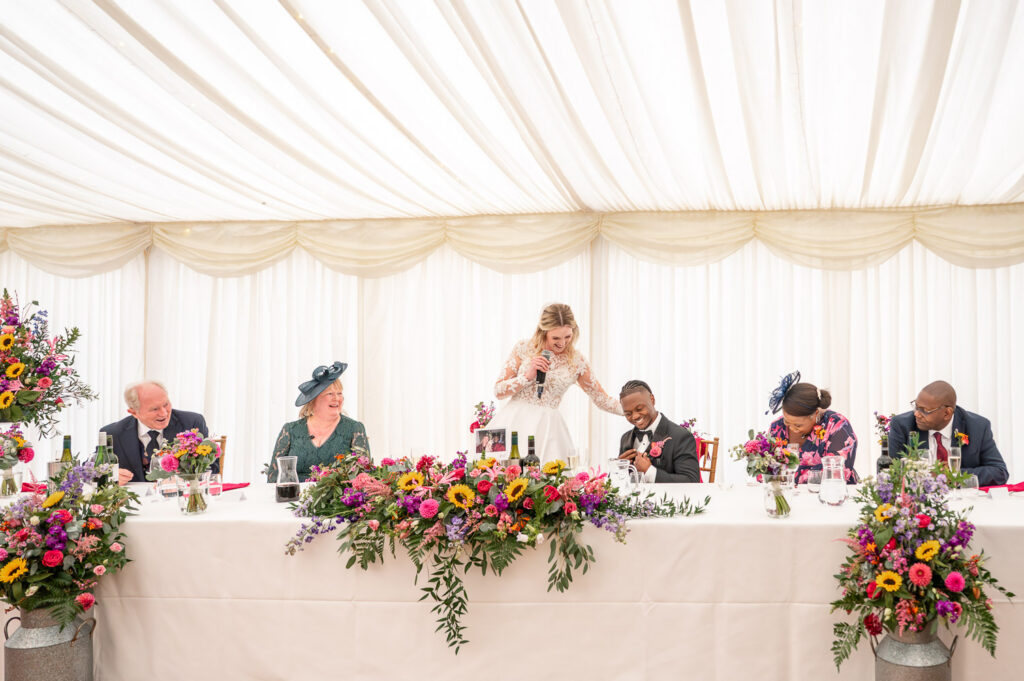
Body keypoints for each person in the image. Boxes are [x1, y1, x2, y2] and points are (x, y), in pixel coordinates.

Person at [487, 303, 622, 462]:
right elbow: (498, 391)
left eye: (568, 337)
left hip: (548, 430)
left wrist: (635, 411)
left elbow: (602, 400)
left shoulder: (577, 361)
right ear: (543, 331)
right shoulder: (523, 348)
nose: (562, 343)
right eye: (556, 338)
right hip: (514, 423)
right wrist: (527, 377)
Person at [887, 380, 1008, 487]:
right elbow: (892, 473)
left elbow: (999, 472)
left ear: (947, 413)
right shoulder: (903, 425)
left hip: (964, 500)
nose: (916, 414)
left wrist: (954, 475)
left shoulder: (977, 427)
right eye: (916, 407)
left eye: (924, 410)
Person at [267, 362, 369, 482]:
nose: (337, 398)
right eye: (330, 394)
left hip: (336, 494)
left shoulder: (354, 429)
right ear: (314, 399)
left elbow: (363, 478)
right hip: (294, 493)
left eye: (339, 393)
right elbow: (274, 477)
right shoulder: (290, 430)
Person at [101, 381, 210, 484]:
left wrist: (183, 480)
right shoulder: (112, 433)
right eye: (154, 409)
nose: (164, 413)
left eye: (166, 404)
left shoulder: (191, 423)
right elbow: (95, 470)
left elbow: (211, 468)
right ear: (134, 412)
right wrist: (109, 476)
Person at [767, 371, 858, 483]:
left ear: (815, 414)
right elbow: (765, 470)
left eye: (798, 425)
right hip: (786, 492)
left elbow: (837, 471)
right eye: (787, 421)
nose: (791, 428)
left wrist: (785, 475)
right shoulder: (777, 427)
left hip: (834, 491)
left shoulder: (837, 425)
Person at [617, 380, 699, 483]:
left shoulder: (681, 436)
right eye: (628, 414)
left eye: (639, 409)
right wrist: (617, 470)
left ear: (652, 400)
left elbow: (691, 481)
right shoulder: (625, 438)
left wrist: (649, 472)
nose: (635, 416)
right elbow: (618, 484)